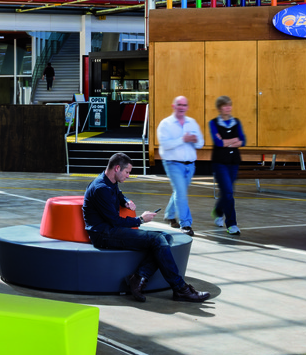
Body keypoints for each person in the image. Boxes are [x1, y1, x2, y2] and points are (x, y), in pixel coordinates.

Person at [82, 152, 212, 303]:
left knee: (167, 237)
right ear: (117, 168)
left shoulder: (109, 181)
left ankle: (139, 277)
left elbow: (118, 194)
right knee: (158, 239)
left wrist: (125, 201)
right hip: (103, 234)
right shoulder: (100, 188)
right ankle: (180, 288)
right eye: (127, 172)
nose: (129, 176)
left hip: (110, 230)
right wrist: (140, 220)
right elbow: (115, 221)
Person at [156, 95, 202, 236]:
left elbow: (200, 143)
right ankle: (186, 224)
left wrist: (194, 140)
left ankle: (170, 215)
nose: (182, 107)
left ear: (187, 107)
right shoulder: (165, 124)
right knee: (181, 192)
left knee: (178, 191)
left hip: (190, 165)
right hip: (172, 164)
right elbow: (165, 145)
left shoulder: (192, 123)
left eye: (184, 105)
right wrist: (183, 139)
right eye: (179, 104)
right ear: (173, 106)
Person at [209, 96, 245, 235]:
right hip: (220, 162)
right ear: (219, 108)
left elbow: (242, 140)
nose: (228, 108)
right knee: (229, 192)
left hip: (233, 161)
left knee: (227, 192)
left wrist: (226, 141)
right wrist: (233, 140)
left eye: (229, 105)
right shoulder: (213, 123)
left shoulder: (236, 122)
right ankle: (231, 224)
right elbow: (218, 143)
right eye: (225, 106)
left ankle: (218, 211)